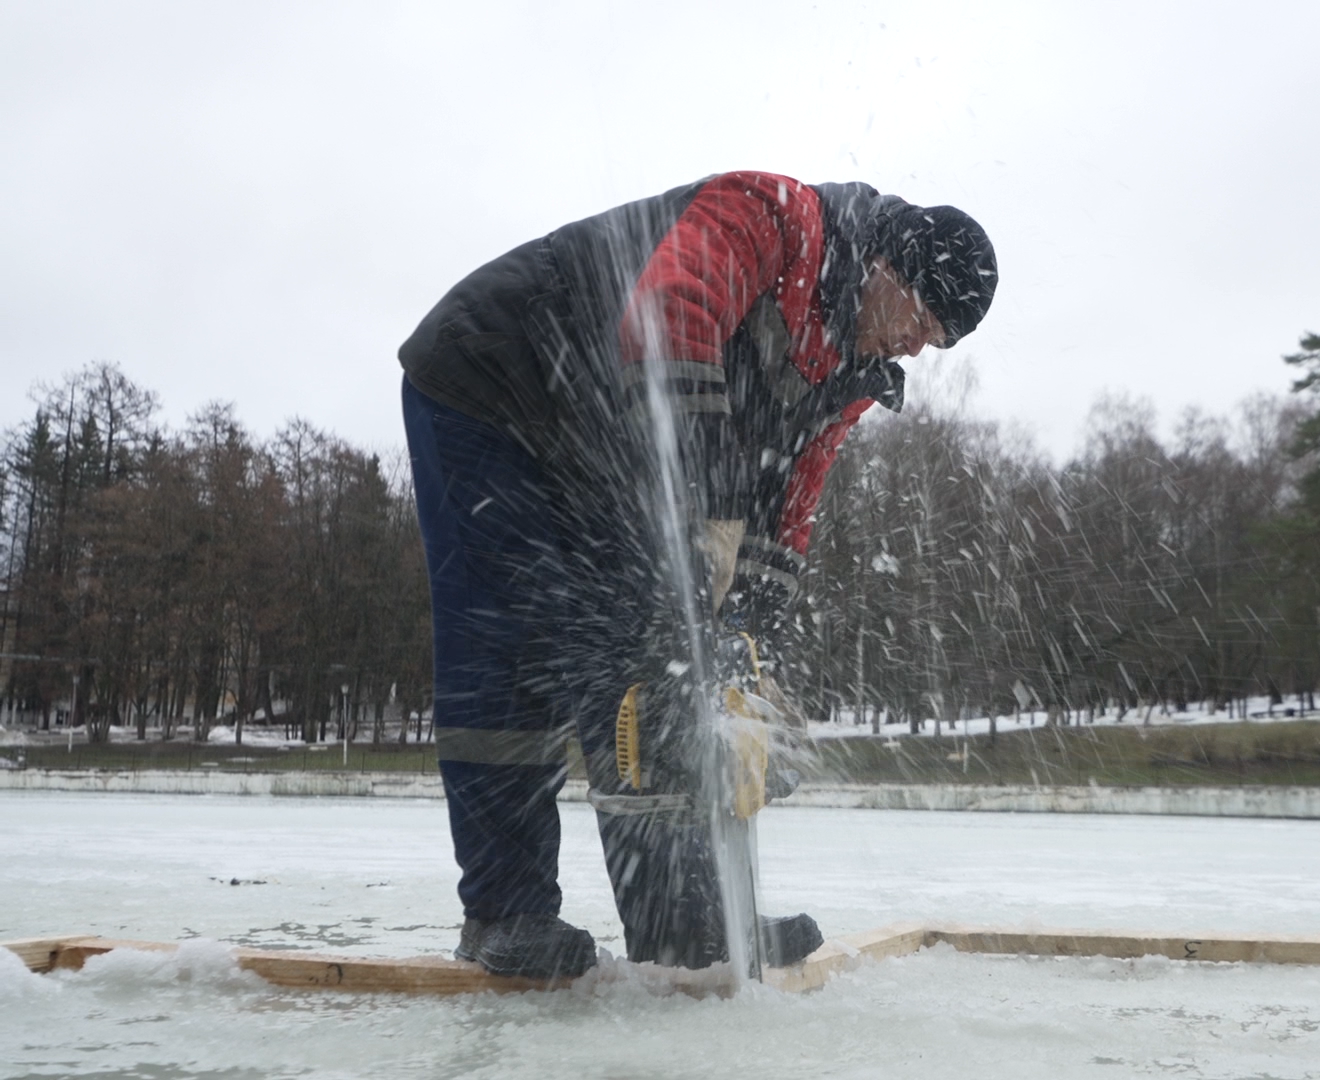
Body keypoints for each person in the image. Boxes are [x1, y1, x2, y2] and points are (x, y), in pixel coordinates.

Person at [398, 172, 997, 979]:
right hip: (495, 384)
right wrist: (698, 530)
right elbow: (667, 322)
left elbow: (790, 504)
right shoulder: (770, 215)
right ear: (889, 266)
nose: (917, 347)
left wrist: (747, 641)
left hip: (600, 438)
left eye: (937, 343)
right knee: (514, 643)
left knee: (654, 663)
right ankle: (505, 913)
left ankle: (683, 927)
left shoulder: (848, 368)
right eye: (921, 321)